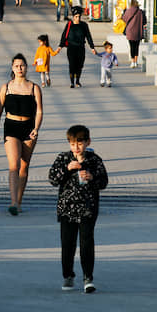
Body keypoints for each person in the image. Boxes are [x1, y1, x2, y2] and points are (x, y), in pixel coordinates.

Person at [48, 125, 108, 294]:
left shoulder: (94, 160)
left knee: (86, 243)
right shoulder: (63, 158)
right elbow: (52, 179)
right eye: (73, 144)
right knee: (67, 244)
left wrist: (92, 177)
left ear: (88, 142)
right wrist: (67, 170)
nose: (76, 147)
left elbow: (104, 182)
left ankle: (88, 277)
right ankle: (68, 275)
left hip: (88, 208)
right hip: (67, 208)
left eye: (80, 143)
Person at [0, 54, 43, 215]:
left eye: (22, 65)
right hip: (11, 126)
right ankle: (13, 202)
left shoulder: (34, 87)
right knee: (14, 165)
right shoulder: (6, 87)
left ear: (26, 67)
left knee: (24, 165)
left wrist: (36, 128)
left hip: (29, 127)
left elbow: (39, 110)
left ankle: (20, 199)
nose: (19, 68)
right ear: (12, 68)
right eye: (16, 66)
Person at [57, 6, 97, 88]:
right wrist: (60, 46)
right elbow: (64, 36)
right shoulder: (69, 25)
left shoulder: (84, 25)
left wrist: (92, 47)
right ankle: (72, 82)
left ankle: (77, 81)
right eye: (76, 17)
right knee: (72, 65)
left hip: (81, 48)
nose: (78, 18)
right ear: (73, 17)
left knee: (80, 65)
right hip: (71, 48)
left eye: (79, 17)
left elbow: (88, 36)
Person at [122, 0, 146, 68]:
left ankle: (132, 62)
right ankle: (136, 61)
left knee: (131, 46)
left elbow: (124, 19)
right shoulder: (140, 12)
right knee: (136, 46)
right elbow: (144, 22)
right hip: (138, 31)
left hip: (130, 31)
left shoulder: (128, 11)